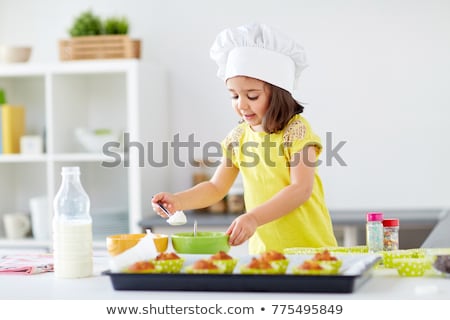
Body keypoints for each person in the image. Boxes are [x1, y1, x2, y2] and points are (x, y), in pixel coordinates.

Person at [152, 23, 337, 254]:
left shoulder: (296, 131)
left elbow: (300, 188)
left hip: (310, 250)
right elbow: (216, 187)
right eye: (234, 95)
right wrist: (178, 201)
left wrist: (253, 218)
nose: (241, 104)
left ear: (279, 93)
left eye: (252, 95)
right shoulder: (238, 138)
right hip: (264, 254)